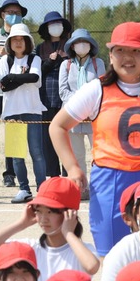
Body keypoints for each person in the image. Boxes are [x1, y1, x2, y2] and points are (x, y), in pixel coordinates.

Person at [50, 21, 140, 256]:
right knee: (112, 255)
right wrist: (73, 169)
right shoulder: (97, 89)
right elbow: (57, 126)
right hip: (110, 179)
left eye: (137, 51)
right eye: (121, 50)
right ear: (111, 55)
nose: (128, 57)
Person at [0, 176, 99, 281]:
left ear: (70, 213)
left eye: (50, 212)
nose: (43, 218)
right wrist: (21, 223)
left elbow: (92, 266)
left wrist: (68, 233)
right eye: (39, 211)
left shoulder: (81, 251)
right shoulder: (30, 248)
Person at [0, 0, 28, 191]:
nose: (13, 15)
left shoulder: (24, 36)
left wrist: (8, 52)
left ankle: (11, 174)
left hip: (15, 93)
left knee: (14, 134)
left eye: (17, 13)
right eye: (10, 12)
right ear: (2, 14)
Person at [0, 23, 45, 200]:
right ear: (9, 43)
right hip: (11, 112)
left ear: (27, 42)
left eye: (21, 39)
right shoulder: (4, 61)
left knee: (37, 152)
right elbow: (3, 86)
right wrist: (17, 79)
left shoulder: (35, 60)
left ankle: (42, 188)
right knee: (17, 154)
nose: (18, 43)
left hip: (32, 110)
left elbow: (34, 77)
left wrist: (11, 77)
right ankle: (24, 189)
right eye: (14, 40)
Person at [57, 28, 106, 198]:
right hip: (72, 115)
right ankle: (81, 188)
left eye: (85, 42)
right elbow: (63, 91)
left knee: (97, 153)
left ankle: (99, 187)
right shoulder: (66, 64)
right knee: (77, 154)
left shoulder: (97, 63)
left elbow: (102, 87)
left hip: (94, 115)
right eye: (77, 42)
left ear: (91, 45)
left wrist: (88, 106)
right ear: (72, 46)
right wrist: (79, 106)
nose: (81, 45)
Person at [36, 10, 71, 179]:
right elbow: (37, 72)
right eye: (51, 25)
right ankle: (53, 174)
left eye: (58, 24)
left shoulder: (70, 45)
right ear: (46, 28)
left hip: (66, 96)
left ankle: (68, 171)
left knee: (66, 135)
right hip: (46, 96)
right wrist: (49, 61)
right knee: (47, 136)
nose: (55, 27)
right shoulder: (40, 48)